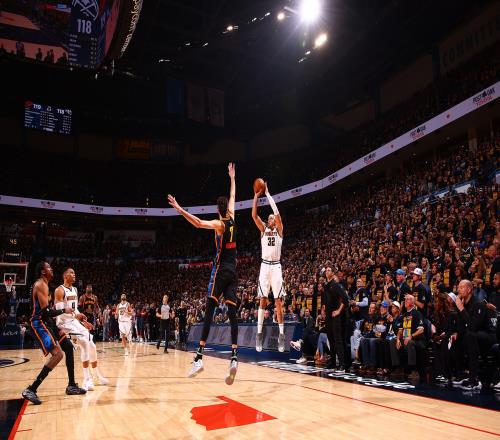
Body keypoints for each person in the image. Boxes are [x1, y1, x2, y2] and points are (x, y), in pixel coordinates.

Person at [168, 162, 239, 385]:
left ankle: (199, 358)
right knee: (233, 314)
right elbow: (233, 195)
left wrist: (179, 209)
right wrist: (232, 178)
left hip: (221, 271)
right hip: (234, 272)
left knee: (209, 311)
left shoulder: (219, 224)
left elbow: (198, 223)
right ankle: (234, 357)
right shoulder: (232, 216)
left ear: (218, 210)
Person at [22, 262, 81, 405]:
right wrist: (63, 310)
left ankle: (71, 385)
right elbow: (45, 311)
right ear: (43, 271)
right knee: (58, 354)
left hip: (47, 322)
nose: (51, 269)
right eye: (49, 267)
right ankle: (31, 389)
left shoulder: (45, 284)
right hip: (39, 323)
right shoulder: (40, 284)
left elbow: (47, 311)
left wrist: (55, 326)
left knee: (68, 347)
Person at [54, 268, 108, 391]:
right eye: (71, 273)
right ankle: (86, 380)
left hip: (74, 321)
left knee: (92, 345)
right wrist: (76, 316)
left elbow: (75, 309)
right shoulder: (59, 290)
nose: (74, 275)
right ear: (65, 276)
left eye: (74, 273)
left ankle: (97, 375)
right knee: (84, 343)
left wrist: (83, 321)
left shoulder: (75, 289)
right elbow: (60, 312)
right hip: (64, 324)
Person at [252, 182, 286, 353]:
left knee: (278, 300)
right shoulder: (263, 229)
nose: (271, 219)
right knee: (263, 299)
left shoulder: (279, 230)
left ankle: (281, 335)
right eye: (270, 218)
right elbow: (254, 215)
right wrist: (256, 197)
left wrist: (268, 195)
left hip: (276, 266)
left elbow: (277, 213)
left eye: (273, 218)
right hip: (265, 266)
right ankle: (259, 334)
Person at [453, 279, 497, 391]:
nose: (458, 290)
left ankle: (475, 380)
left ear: (469, 290)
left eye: (461, 287)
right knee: (455, 338)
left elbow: (473, 326)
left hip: (488, 335)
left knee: (470, 335)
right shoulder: (463, 303)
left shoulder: (478, 303)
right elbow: (461, 326)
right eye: (458, 287)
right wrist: (456, 333)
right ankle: (462, 375)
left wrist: (461, 309)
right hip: (473, 334)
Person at [322, 267, 346, 371]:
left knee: (337, 340)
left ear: (332, 273)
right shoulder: (326, 285)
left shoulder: (336, 285)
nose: (326, 272)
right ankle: (332, 363)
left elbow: (345, 299)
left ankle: (342, 364)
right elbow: (325, 300)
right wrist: (323, 309)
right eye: (326, 270)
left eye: (329, 270)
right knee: (331, 340)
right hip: (328, 316)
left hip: (335, 316)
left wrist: (338, 311)